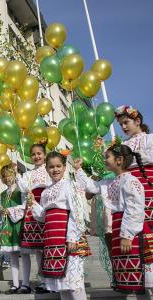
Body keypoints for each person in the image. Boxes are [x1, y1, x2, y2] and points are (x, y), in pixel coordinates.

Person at [75, 144, 153, 298]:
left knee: (144, 275)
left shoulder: (131, 181)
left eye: (107, 157)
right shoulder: (110, 182)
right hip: (118, 227)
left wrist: (127, 235)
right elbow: (92, 186)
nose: (104, 159)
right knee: (132, 276)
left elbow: (135, 209)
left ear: (119, 160)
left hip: (131, 231)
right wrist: (78, 170)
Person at [29, 151, 87, 300]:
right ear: (46, 169)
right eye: (51, 167)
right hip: (52, 241)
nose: (55, 170)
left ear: (64, 167)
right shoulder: (45, 192)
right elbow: (43, 217)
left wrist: (72, 237)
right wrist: (33, 204)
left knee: (75, 284)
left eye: (58, 166)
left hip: (67, 239)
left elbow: (76, 212)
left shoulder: (70, 185)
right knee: (62, 286)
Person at [16, 144, 52, 294]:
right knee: (31, 249)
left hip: (45, 208)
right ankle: (31, 282)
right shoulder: (28, 174)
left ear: (44, 154)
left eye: (39, 153)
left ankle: (45, 282)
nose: (36, 157)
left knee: (42, 250)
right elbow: (24, 190)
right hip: (31, 210)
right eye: (34, 154)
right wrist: (18, 176)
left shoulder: (49, 170)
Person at [116, 106, 153, 229]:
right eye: (121, 124)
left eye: (126, 122)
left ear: (137, 121)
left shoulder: (150, 138)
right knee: (134, 222)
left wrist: (131, 159)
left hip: (148, 183)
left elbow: (150, 157)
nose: (123, 127)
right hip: (129, 188)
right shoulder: (122, 145)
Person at [0, 164, 23, 294]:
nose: (7, 178)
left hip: (19, 225)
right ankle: (15, 283)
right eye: (4, 176)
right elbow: (0, 209)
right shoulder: (2, 194)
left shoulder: (20, 190)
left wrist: (10, 210)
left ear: (14, 175)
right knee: (12, 254)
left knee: (24, 255)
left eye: (9, 175)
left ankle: (25, 283)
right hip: (8, 226)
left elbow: (24, 207)